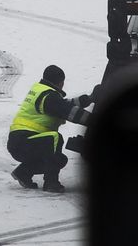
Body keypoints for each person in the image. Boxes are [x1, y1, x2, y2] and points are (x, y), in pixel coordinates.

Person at [8, 64, 91, 194]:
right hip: (23, 141)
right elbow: (67, 110)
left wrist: (85, 100)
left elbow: (61, 104)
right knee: (55, 138)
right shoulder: (49, 97)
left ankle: (23, 173)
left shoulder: (43, 92)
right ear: (60, 82)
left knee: (60, 159)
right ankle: (51, 183)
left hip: (20, 141)